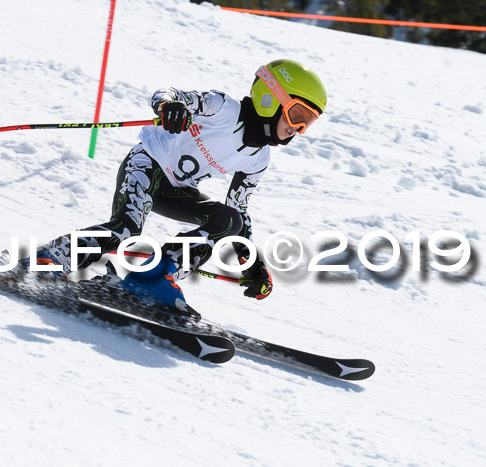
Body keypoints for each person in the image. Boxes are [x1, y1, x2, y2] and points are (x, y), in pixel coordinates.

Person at [28, 59, 327, 307]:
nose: (297, 129)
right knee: (126, 231)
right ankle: (48, 258)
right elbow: (167, 93)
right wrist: (169, 106)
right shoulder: (223, 108)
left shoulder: (259, 159)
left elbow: (240, 211)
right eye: (297, 114)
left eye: (307, 122)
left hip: (177, 191)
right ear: (271, 99)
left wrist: (253, 264)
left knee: (229, 220)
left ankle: (154, 278)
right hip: (146, 165)